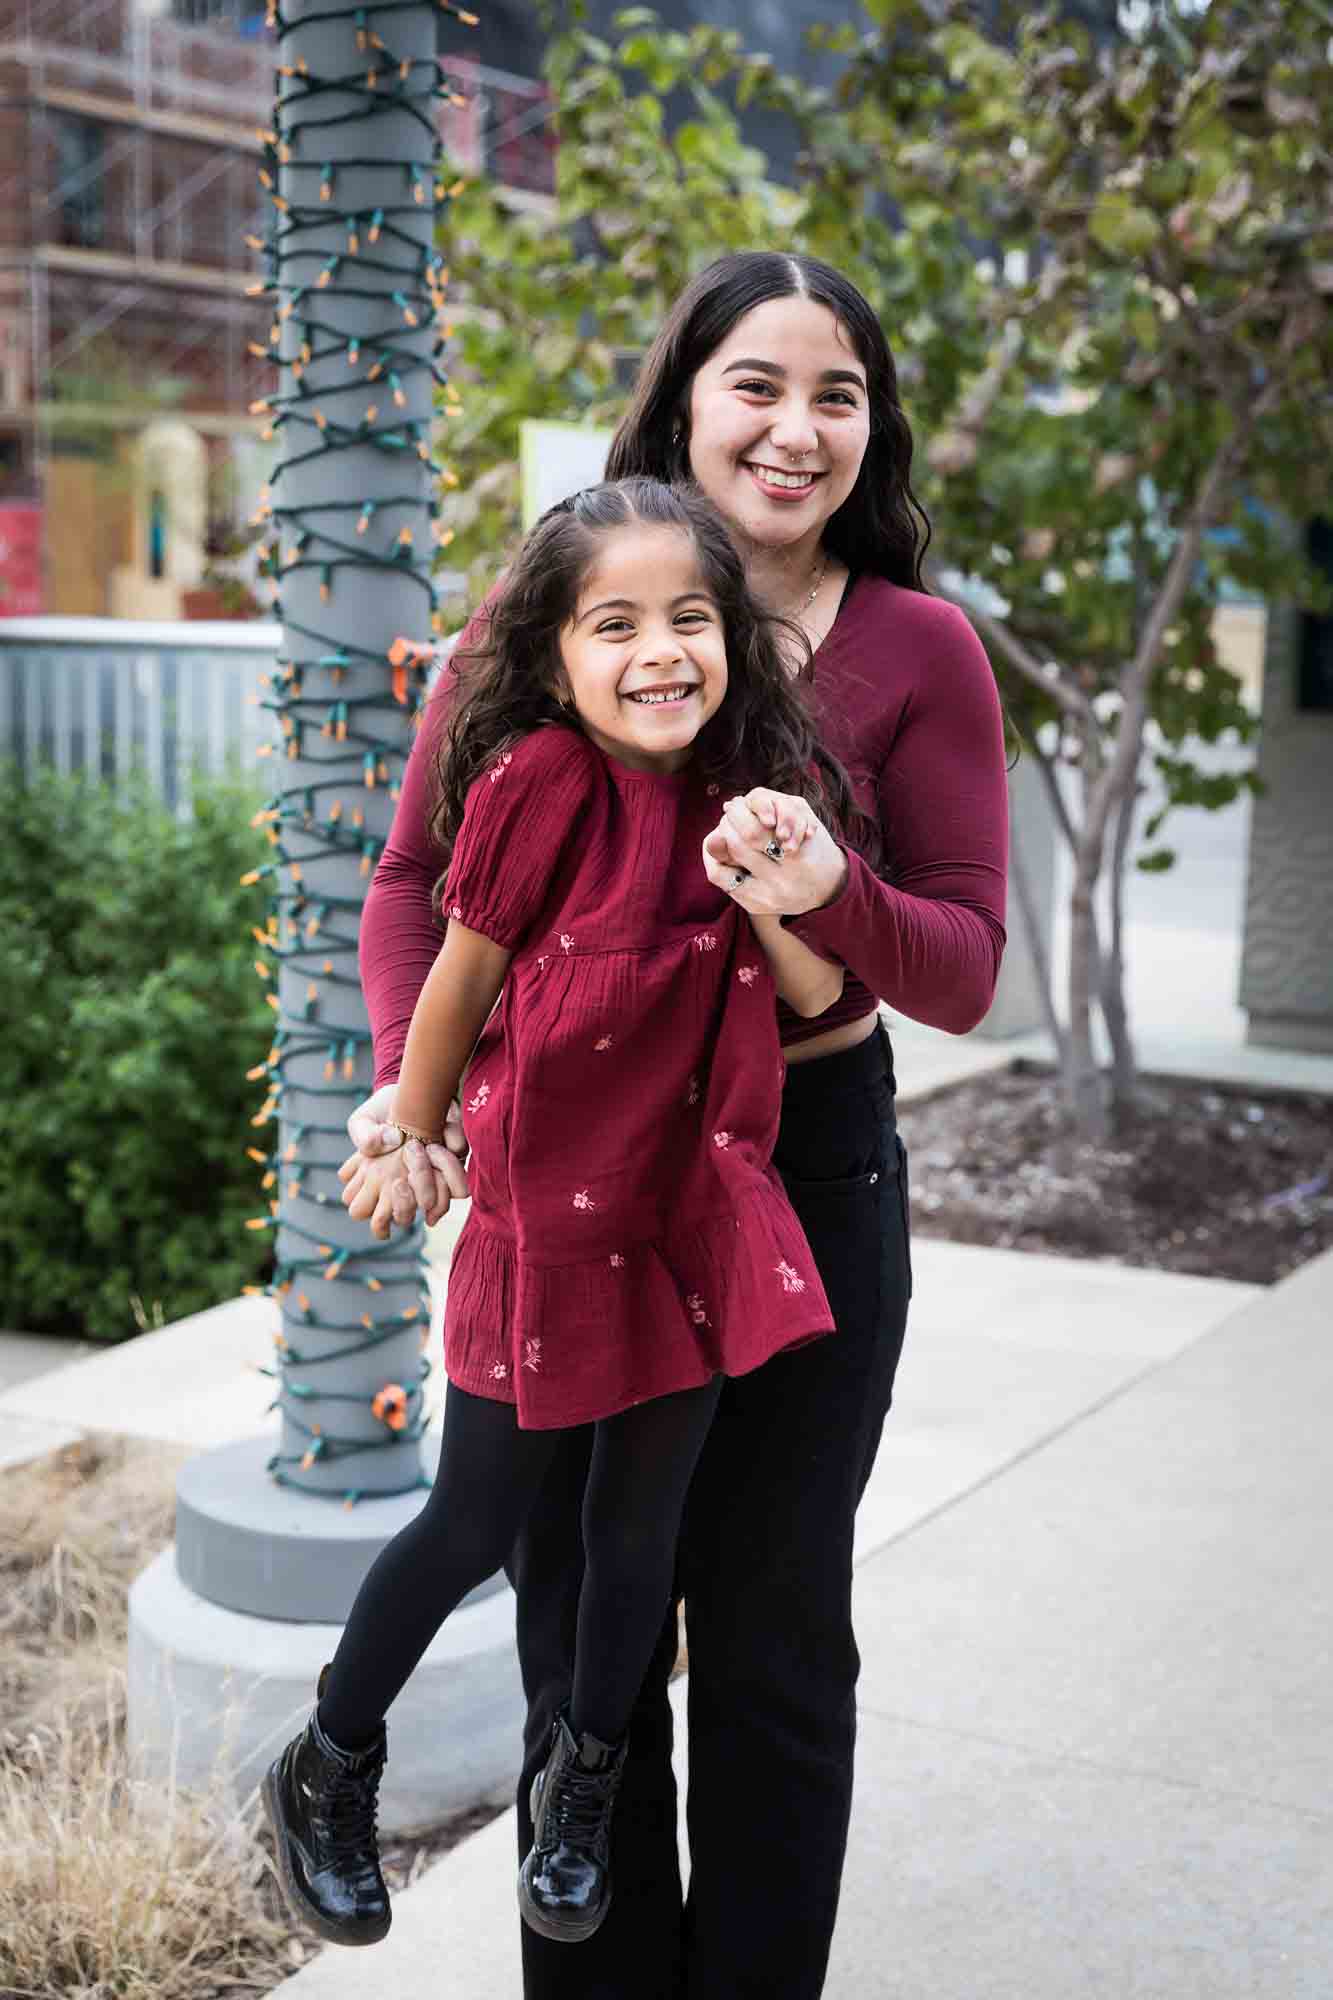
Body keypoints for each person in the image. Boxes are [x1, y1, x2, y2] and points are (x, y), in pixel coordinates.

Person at [343, 252, 1009, 1998]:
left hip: (804, 1165)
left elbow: (957, 966)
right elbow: (419, 886)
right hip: (575, 1172)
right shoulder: (548, 612)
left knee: (777, 1627)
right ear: (684, 398)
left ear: (873, 425)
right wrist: (431, 1096)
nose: (796, 431)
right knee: (584, 1622)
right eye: (757, 385)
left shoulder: (917, 647)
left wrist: (825, 887)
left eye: (838, 394)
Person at [262, 474, 867, 1950]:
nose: (660, 649)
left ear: (730, 638)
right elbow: (461, 969)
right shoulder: (538, 782)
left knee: (637, 1536)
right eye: (616, 624)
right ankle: (328, 1757)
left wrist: (784, 895)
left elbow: (813, 999)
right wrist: (409, 1125)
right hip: (547, 1216)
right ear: (550, 657)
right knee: (477, 1514)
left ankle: (578, 1791)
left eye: (691, 618)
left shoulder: (745, 794)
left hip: (692, 1212)